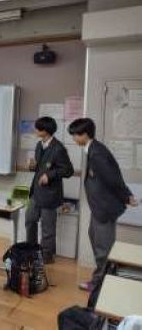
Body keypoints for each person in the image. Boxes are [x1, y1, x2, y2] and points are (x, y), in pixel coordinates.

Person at [68, 118, 138, 292]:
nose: (73, 138)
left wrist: (127, 196)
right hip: (99, 208)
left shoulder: (97, 153)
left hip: (105, 208)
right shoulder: (92, 149)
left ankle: (100, 284)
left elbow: (113, 179)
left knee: (103, 248)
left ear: (84, 134)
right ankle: (104, 278)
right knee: (94, 237)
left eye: (75, 135)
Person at [25, 117, 74, 264]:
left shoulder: (59, 148)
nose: (34, 130)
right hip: (36, 192)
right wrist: (33, 166)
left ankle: (46, 257)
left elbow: (68, 170)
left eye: (37, 128)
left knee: (47, 229)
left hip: (50, 195)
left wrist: (50, 175)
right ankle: (31, 250)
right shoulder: (39, 145)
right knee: (30, 220)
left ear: (44, 131)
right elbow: (40, 167)